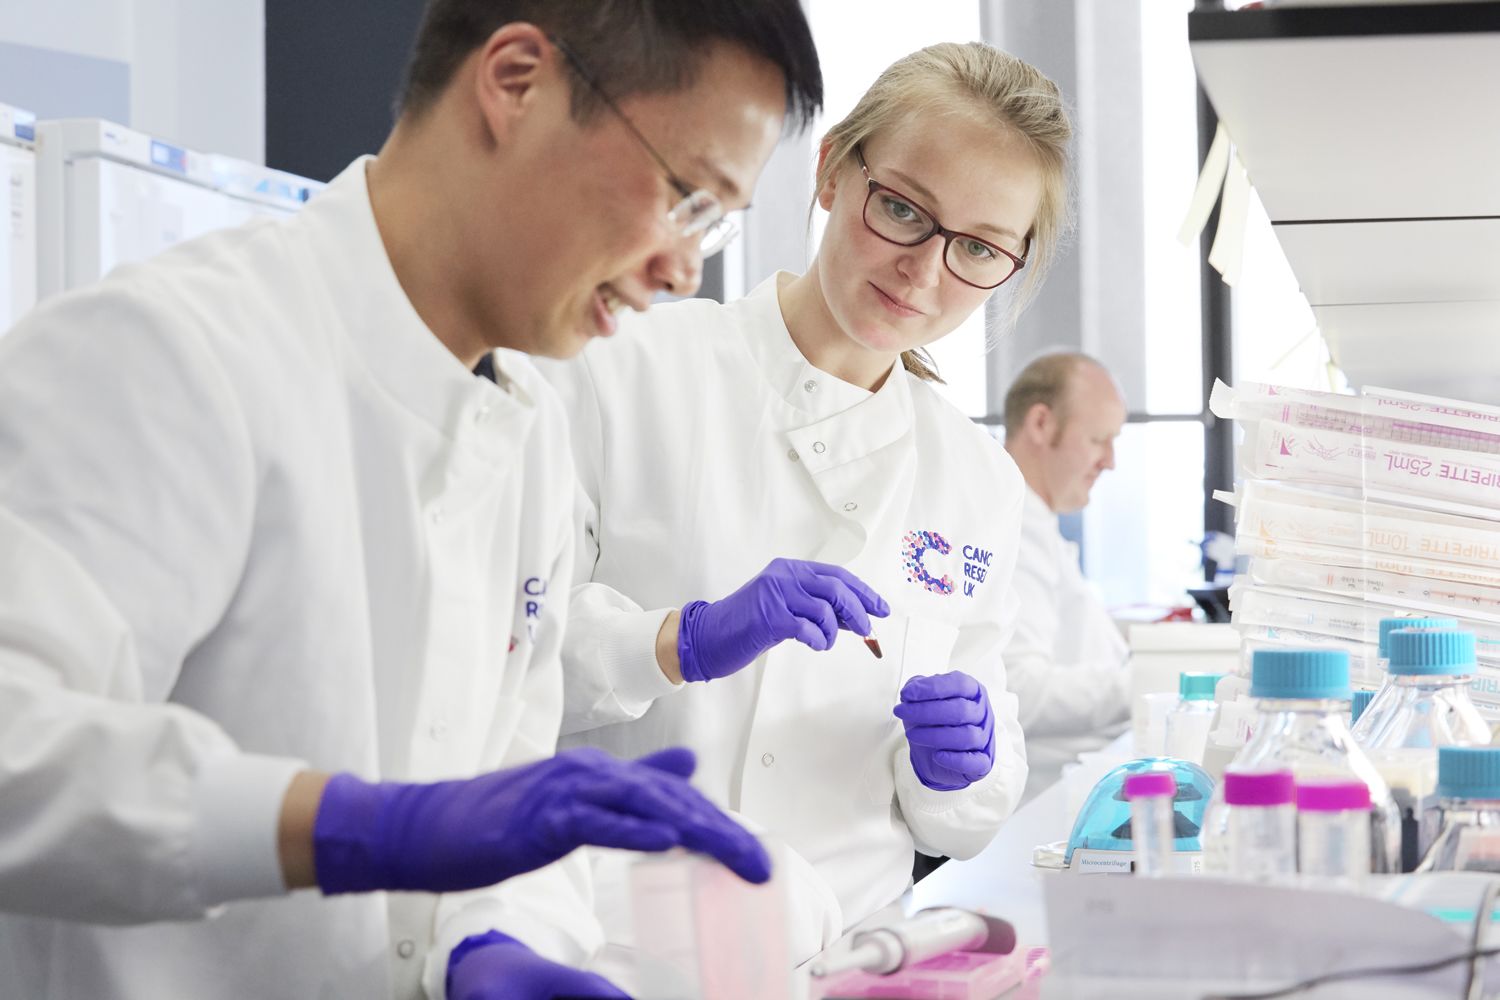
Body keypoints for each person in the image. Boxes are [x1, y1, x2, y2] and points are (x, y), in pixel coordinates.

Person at [0, 2, 822, 998]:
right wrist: (362, 829)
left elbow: (504, 773)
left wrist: (489, 941)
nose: (685, 271)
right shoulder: (170, 351)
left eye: (715, 223)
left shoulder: (526, 431)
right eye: (686, 196)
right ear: (516, 81)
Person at [540, 41, 1072, 954]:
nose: (924, 271)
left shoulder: (976, 477)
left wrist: (965, 766)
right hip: (623, 951)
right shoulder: (624, 369)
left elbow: (961, 818)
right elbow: (504, 661)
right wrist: (677, 641)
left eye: (979, 249)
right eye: (902, 208)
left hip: (852, 954)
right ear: (831, 171)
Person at [1000, 351, 1131, 800]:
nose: (1110, 461)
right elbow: (1018, 689)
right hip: (1044, 800)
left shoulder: (1036, 524)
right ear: (1041, 424)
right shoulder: (1011, 529)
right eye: (1098, 439)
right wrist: (1148, 683)